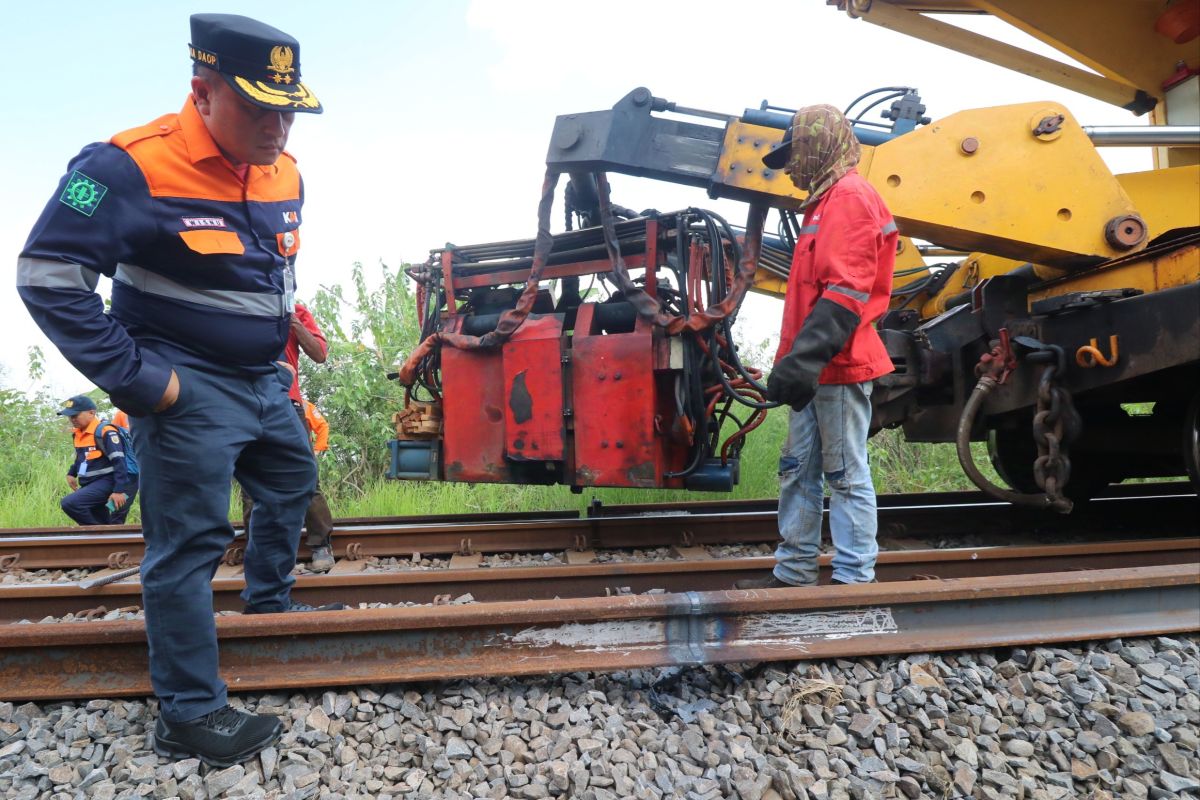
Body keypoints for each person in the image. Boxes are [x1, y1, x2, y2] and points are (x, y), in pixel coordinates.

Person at [17, 13, 341, 768]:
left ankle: (267, 608)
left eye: (289, 108)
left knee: (291, 480)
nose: (279, 126)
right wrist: (144, 384)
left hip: (264, 380)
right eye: (260, 106)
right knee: (187, 546)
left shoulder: (284, 171)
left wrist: (286, 349)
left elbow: (269, 273)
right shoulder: (125, 168)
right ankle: (190, 713)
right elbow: (48, 277)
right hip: (186, 387)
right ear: (202, 92)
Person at [736, 105, 896, 590]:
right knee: (796, 468)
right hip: (816, 366)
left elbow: (846, 292)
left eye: (798, 152)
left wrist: (804, 360)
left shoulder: (849, 198)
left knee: (844, 474)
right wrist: (794, 362)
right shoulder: (825, 202)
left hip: (839, 365)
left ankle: (852, 582)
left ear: (820, 145)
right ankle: (794, 573)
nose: (793, 167)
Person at [241, 302, 335, 571]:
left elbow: (319, 354)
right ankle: (260, 554)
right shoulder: (234, 304)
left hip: (287, 404)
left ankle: (320, 545)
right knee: (251, 485)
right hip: (245, 404)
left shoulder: (294, 309)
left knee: (305, 478)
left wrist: (292, 321)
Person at [58, 395, 133, 525]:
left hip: (108, 482)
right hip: (90, 483)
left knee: (70, 503)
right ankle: (105, 540)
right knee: (101, 520)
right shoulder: (78, 433)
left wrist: (119, 490)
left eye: (75, 415)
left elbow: (119, 461)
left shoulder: (106, 431)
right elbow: (82, 457)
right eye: (70, 416)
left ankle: (99, 535)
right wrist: (72, 473)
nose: (72, 419)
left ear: (91, 413)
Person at [107, 408, 141, 524]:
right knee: (118, 509)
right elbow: (113, 438)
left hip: (151, 468)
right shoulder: (121, 415)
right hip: (130, 471)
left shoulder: (153, 412)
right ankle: (111, 537)